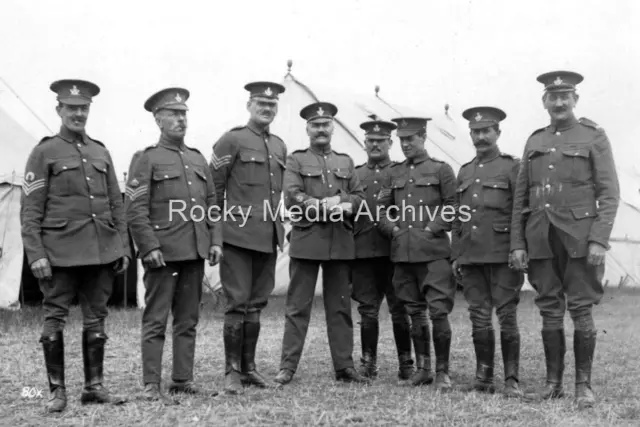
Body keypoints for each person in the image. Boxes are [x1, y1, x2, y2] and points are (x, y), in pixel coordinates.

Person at [510, 71, 620, 409]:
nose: (559, 102)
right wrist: (518, 242)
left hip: (580, 239)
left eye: (565, 96)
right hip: (541, 238)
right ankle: (552, 383)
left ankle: (582, 386)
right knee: (549, 310)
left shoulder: (593, 136)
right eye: (552, 97)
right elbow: (521, 197)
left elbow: (610, 193)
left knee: (582, 309)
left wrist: (599, 240)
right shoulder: (535, 141)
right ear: (544, 101)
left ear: (575, 99)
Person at [20, 79, 130, 412]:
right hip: (60, 253)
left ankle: (93, 387)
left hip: (100, 251)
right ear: (59, 110)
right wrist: (36, 254)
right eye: (71, 108)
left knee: (96, 318)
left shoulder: (101, 151)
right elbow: (30, 210)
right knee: (54, 318)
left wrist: (122, 246)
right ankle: (56, 392)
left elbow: (115, 202)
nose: (78, 114)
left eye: (83, 108)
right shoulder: (44, 151)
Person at [125, 87, 223, 404]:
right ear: (158, 119)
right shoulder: (146, 159)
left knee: (187, 320)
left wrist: (215, 241)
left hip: (194, 252)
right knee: (156, 319)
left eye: (183, 114)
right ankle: (151, 383)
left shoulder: (197, 159)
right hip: (162, 255)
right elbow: (135, 209)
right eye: (173, 114)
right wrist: (148, 246)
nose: (181, 120)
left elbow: (211, 206)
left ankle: (182, 378)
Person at [273, 102, 369, 385]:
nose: (321, 130)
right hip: (307, 239)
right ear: (308, 129)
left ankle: (345, 367)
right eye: (315, 125)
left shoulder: (346, 162)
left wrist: (342, 201)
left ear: (333, 127)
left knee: (339, 307)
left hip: (339, 242)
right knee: (297, 306)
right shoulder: (296, 160)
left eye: (325, 124)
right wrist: (320, 205)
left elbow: (360, 198)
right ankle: (287, 367)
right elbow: (291, 195)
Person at [209, 81, 287, 394]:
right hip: (238, 235)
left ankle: (249, 369)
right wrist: (215, 235)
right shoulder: (232, 140)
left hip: (268, 235)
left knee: (256, 304)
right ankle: (231, 371)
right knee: (236, 303)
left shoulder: (280, 145)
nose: (266, 109)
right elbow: (212, 191)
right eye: (261, 104)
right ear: (249, 106)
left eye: (271, 105)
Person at [377, 117, 457, 390]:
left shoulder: (441, 169)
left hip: (433, 253)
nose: (406, 144)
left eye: (411, 138)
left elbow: (453, 206)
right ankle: (423, 369)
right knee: (414, 311)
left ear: (423, 136)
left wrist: (432, 228)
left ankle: (443, 372)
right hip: (403, 254)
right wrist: (393, 230)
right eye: (402, 139)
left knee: (438, 312)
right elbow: (382, 208)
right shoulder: (393, 173)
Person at [451, 106, 524, 397]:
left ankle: (511, 380)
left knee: (507, 315)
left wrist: (519, 247)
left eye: (486, 131)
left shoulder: (511, 166)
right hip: (471, 256)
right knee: (478, 316)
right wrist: (456, 253)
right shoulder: (465, 170)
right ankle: (484, 377)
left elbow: (521, 211)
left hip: (502, 253)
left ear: (498, 133)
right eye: (476, 132)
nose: (481, 136)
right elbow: (458, 216)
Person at [352, 119, 413, 380]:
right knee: (367, 310)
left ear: (390, 143)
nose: (375, 145)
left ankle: (406, 363)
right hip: (364, 252)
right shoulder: (355, 175)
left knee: (400, 309)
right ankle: (368, 363)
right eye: (370, 141)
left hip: (395, 252)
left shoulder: (400, 172)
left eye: (381, 141)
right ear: (365, 144)